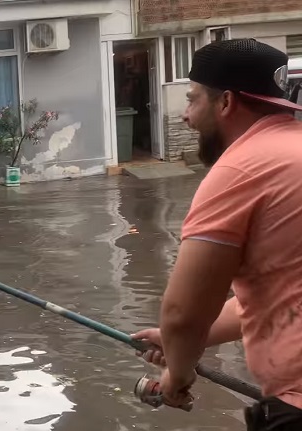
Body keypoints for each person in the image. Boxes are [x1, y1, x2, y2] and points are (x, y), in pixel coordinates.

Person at [130, 39, 302, 430]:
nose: (185, 116)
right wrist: (186, 342)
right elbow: (273, 296)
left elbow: (183, 312)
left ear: (225, 103)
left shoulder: (241, 170)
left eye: (192, 100)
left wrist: (178, 371)